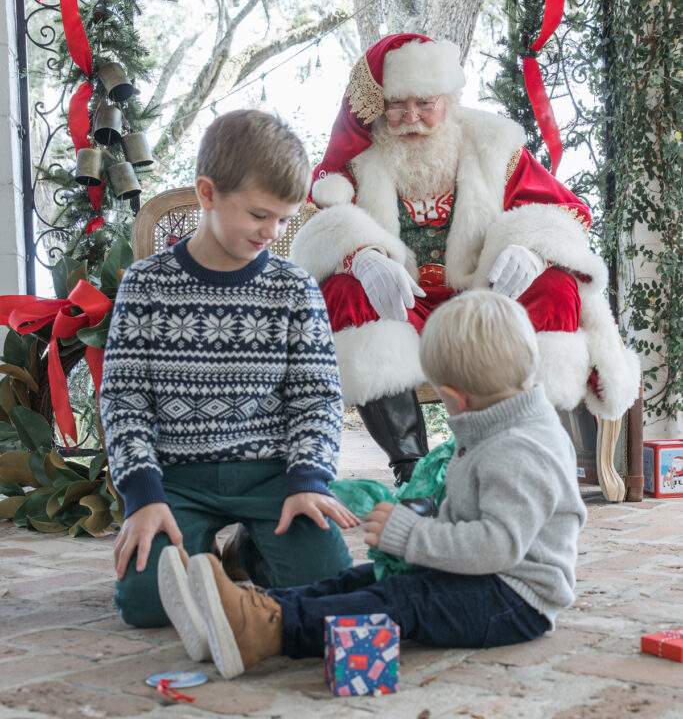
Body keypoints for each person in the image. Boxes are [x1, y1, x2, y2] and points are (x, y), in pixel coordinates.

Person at [157, 289, 588, 679]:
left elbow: (497, 546)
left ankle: (268, 631)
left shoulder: (519, 449)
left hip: (515, 601)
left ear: (456, 398)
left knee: (403, 599)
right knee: (361, 580)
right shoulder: (502, 425)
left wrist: (413, 534)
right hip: (484, 578)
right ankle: (253, 611)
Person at [289, 33, 640, 488]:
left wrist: (532, 247)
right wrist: (361, 255)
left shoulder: (495, 145)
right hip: (404, 304)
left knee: (557, 285)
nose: (410, 118)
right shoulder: (358, 161)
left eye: (425, 103)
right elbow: (325, 229)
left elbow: (566, 212)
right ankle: (412, 468)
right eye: (396, 104)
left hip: (485, 300)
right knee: (343, 290)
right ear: (378, 105)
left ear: (450, 99)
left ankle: (511, 451)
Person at [100, 109, 358, 638]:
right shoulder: (146, 284)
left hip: (272, 476)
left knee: (327, 583)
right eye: (261, 215)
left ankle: (250, 547)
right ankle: (198, 544)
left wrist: (307, 478)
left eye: (285, 219)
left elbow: (318, 400)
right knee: (148, 607)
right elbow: (123, 401)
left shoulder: (294, 289)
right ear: (208, 193)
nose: (273, 232)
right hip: (176, 480)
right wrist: (143, 497)